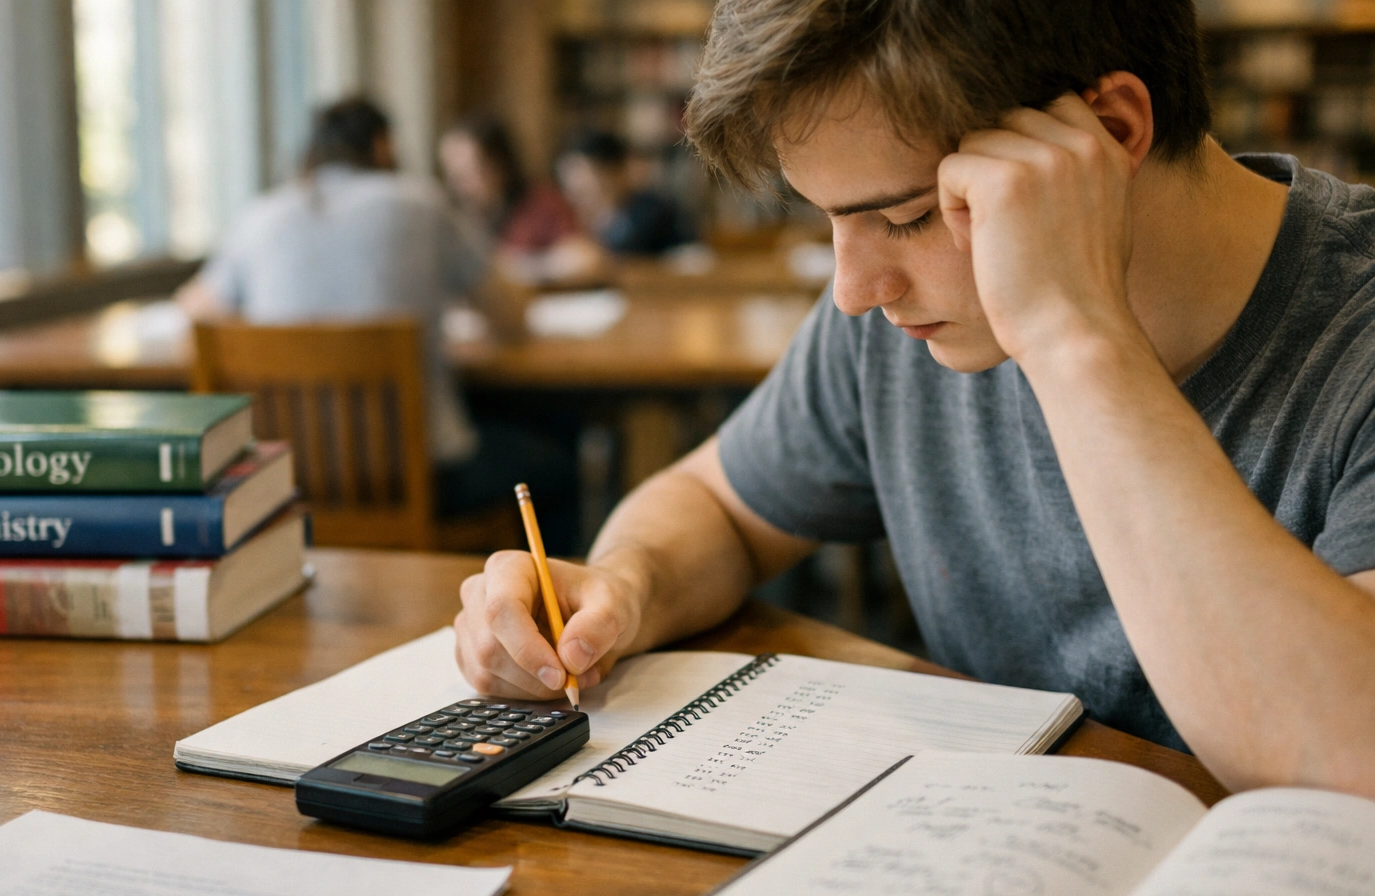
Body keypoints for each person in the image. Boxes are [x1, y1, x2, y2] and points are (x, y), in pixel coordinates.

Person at [453, 0, 1375, 799]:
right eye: (830, 218)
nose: (854, 289)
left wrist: (1075, 337)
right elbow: (721, 505)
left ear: (1113, 133)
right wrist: (627, 585)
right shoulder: (908, 312)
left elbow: (1346, 757)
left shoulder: (1354, 332)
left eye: (908, 216)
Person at [175, 97, 574, 548]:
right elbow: (512, 316)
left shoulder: (259, 215)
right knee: (557, 457)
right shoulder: (421, 202)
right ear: (383, 145)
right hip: (420, 476)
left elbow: (194, 311)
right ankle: (550, 608)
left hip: (287, 478)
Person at [438, 114, 578, 255]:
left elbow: (583, 258)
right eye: (454, 176)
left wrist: (515, 266)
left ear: (500, 165)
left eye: (471, 172)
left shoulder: (541, 203)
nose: (460, 186)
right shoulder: (455, 220)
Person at [555, 130, 693, 256]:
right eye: (568, 186)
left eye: (582, 187)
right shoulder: (582, 219)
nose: (573, 195)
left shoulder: (651, 213)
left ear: (613, 171)